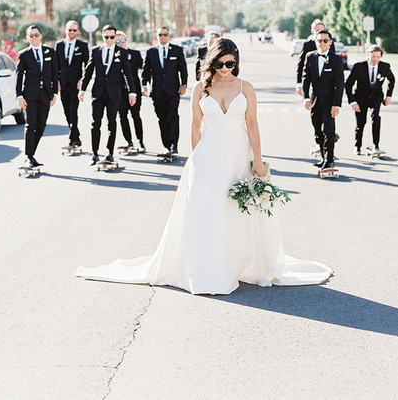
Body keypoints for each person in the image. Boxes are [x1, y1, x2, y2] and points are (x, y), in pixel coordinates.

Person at [75, 38, 332, 294]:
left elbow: (252, 124)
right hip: (208, 156)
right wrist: (196, 157)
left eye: (230, 63)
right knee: (208, 208)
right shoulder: (201, 88)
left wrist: (258, 161)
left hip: (238, 155)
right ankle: (209, 263)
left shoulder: (246, 87)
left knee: (236, 208)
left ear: (236, 62)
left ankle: (240, 261)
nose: (224, 69)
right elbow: (195, 126)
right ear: (212, 61)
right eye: (220, 63)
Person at [79, 24, 136, 165]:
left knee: (112, 123)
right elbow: (88, 71)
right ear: (102, 36)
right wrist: (82, 89)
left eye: (112, 37)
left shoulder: (121, 53)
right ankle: (94, 154)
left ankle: (110, 153)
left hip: (114, 94)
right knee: (95, 123)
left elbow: (128, 74)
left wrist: (132, 91)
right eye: (106, 37)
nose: (109, 39)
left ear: (115, 37)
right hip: (98, 93)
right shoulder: (96, 51)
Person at [16, 24, 58, 168]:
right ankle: (28, 157)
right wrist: (19, 96)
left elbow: (54, 74)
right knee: (31, 124)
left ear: (40, 36)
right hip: (30, 95)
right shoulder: (24, 55)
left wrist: (55, 93)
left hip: (45, 95)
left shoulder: (50, 52)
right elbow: (19, 77)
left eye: (36, 35)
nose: (34, 38)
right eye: (31, 35)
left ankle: (31, 154)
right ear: (27, 38)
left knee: (41, 125)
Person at [142, 26, 188, 154]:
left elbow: (183, 69)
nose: (162, 37)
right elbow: (146, 70)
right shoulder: (151, 52)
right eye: (160, 35)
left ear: (169, 36)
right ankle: (166, 145)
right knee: (162, 118)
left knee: (173, 116)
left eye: (165, 34)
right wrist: (144, 85)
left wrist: (184, 84)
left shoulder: (177, 50)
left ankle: (174, 144)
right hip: (157, 92)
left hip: (173, 90)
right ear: (156, 36)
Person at [302, 29, 344, 171]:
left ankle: (330, 160)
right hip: (315, 102)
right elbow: (305, 79)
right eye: (319, 40)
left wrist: (336, 104)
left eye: (325, 40)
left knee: (328, 131)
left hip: (330, 102)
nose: (322, 43)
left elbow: (340, 84)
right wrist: (306, 97)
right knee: (317, 132)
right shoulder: (310, 57)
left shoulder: (336, 60)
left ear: (330, 42)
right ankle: (324, 157)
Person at [345, 45, 395, 154]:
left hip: (376, 96)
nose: (375, 59)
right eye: (373, 56)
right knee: (360, 123)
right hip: (360, 97)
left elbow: (391, 80)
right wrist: (353, 102)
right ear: (368, 55)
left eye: (377, 57)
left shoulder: (384, 66)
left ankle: (376, 145)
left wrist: (388, 96)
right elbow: (348, 84)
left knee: (375, 116)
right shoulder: (359, 67)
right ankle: (357, 146)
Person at [56, 20, 89, 148]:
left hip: (76, 84)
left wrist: (83, 80)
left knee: (73, 110)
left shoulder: (82, 46)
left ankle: (72, 139)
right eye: (70, 29)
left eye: (74, 30)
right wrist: (57, 81)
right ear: (65, 30)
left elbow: (88, 65)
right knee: (66, 111)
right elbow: (56, 66)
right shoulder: (59, 46)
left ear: (78, 31)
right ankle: (76, 136)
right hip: (63, 84)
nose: (72, 32)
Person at [115, 30, 145, 152]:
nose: (120, 43)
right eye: (117, 41)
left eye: (122, 41)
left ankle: (140, 141)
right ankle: (129, 141)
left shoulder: (135, 54)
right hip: (119, 91)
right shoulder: (112, 55)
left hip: (134, 90)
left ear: (126, 41)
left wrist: (144, 85)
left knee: (136, 115)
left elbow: (144, 69)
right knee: (122, 116)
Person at [295, 19, 334, 96]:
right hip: (311, 80)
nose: (320, 32)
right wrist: (299, 84)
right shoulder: (307, 45)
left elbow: (334, 62)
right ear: (312, 31)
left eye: (322, 30)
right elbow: (300, 65)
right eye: (317, 30)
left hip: (327, 83)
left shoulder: (330, 44)